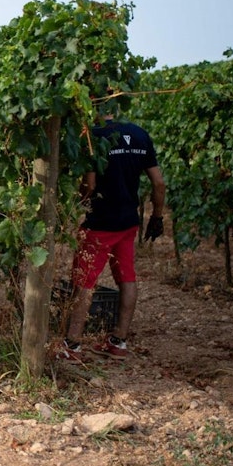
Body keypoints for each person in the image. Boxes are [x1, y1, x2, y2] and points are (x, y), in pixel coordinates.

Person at [57, 111, 166, 363]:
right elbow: (159, 184)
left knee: (84, 281)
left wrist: (77, 205)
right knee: (127, 277)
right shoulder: (140, 134)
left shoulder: (93, 136)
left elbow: (91, 185)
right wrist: (157, 217)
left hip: (100, 223)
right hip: (128, 222)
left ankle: (71, 345)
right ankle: (118, 341)